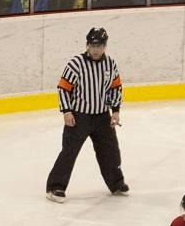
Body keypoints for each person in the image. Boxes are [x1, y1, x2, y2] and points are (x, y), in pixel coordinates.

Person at [45, 27, 128, 203]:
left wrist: (115, 111)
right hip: (79, 117)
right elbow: (63, 88)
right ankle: (55, 187)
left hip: (101, 117)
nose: (96, 49)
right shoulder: (75, 64)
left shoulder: (110, 64)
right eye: (92, 45)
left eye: (99, 46)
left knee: (110, 151)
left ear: (105, 46)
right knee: (69, 152)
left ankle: (116, 183)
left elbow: (115, 87)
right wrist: (66, 111)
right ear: (87, 45)